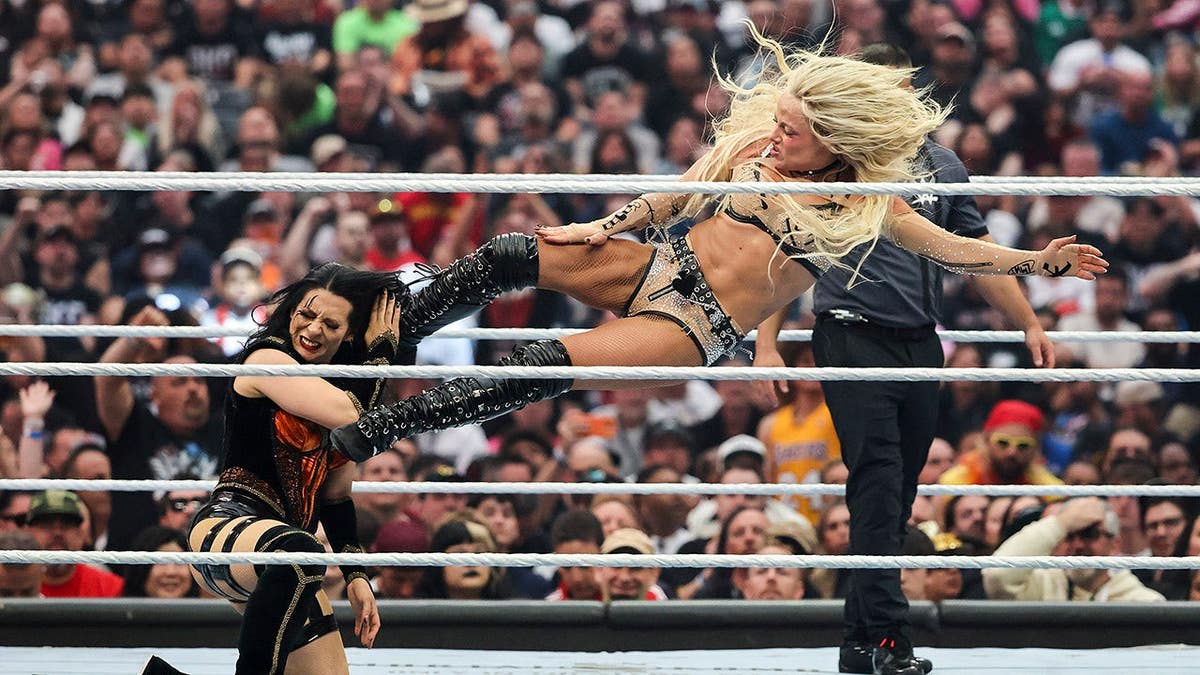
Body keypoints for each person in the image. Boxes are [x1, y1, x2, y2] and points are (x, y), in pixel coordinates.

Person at [329, 27, 1106, 477]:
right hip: (660, 263)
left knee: (539, 360)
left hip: (696, 323)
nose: (777, 132)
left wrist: (1042, 264)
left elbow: (960, 252)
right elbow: (679, 195)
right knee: (508, 252)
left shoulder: (868, 207)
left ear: (831, 143)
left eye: (794, 129)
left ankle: (375, 432)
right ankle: (385, 336)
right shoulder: (757, 149)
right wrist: (607, 227)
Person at [750, 42, 1058, 675]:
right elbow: (785, 255)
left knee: (899, 490)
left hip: (921, 340)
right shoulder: (831, 162)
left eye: (899, 89)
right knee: (879, 481)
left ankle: (860, 643)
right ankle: (890, 641)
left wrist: (1027, 320)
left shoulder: (941, 165)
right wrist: (765, 341)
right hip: (851, 333)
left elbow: (972, 252)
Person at [147, 264, 412, 675]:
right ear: (290, 313)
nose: (313, 328)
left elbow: (336, 497)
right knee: (301, 554)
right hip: (229, 531)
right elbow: (351, 414)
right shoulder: (266, 360)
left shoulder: (330, 394)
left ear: (348, 336)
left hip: (288, 560)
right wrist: (382, 351)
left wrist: (357, 574)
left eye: (331, 322)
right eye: (306, 314)